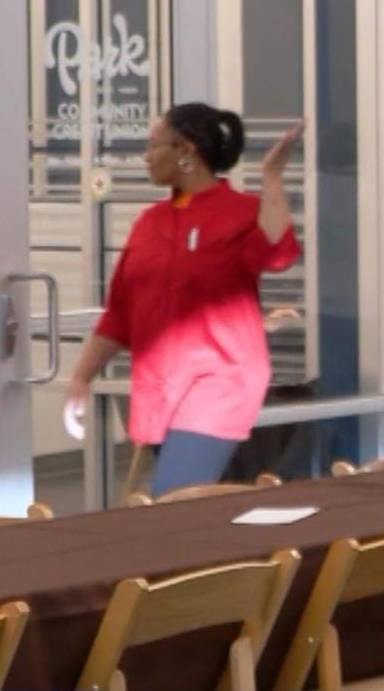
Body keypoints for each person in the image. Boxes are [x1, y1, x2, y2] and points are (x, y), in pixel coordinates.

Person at [64, 105, 301, 498]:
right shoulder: (149, 223)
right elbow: (120, 312)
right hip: (161, 384)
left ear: (185, 151)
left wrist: (271, 177)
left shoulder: (241, 212)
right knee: (193, 504)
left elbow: (278, 253)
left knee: (173, 499)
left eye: (152, 145)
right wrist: (80, 378)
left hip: (221, 379)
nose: (146, 156)